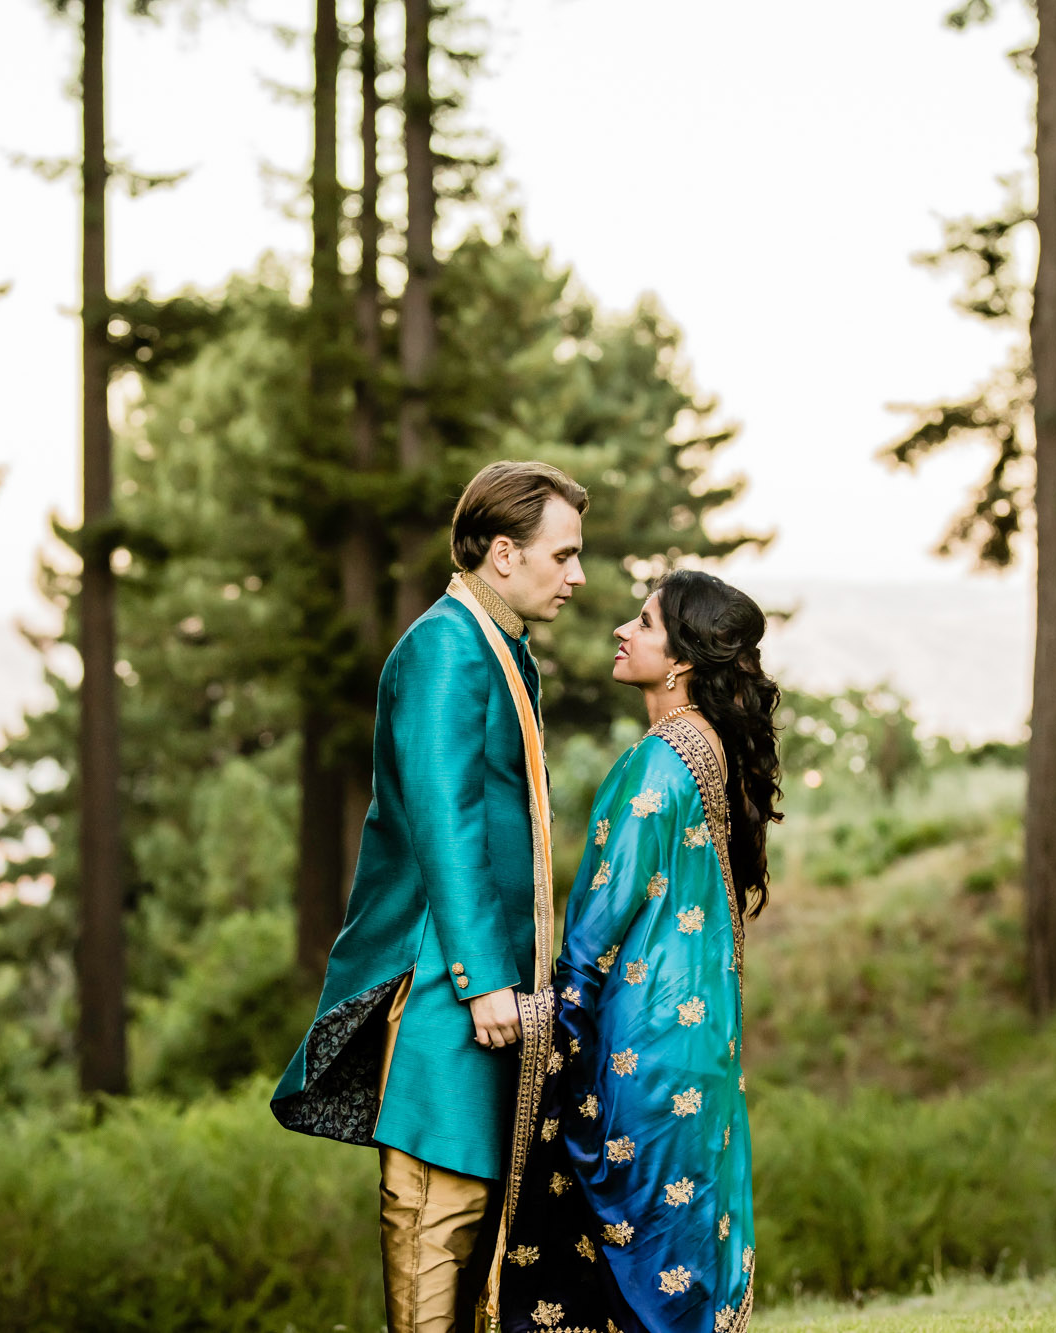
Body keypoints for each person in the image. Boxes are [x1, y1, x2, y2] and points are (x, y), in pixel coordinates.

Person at [273, 459, 588, 1333]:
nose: (576, 576)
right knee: (432, 1209)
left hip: (483, 981)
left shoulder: (498, 644)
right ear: (500, 552)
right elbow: (445, 821)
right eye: (561, 555)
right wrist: (486, 978)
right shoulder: (445, 648)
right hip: (444, 980)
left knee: (482, 1210)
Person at [488, 570, 781, 1333]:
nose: (622, 629)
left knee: (629, 1264)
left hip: (639, 1053)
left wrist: (540, 1020)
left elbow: (599, 919)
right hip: (694, 1048)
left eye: (643, 623)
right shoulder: (707, 749)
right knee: (673, 1251)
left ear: (681, 658)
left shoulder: (656, 761)